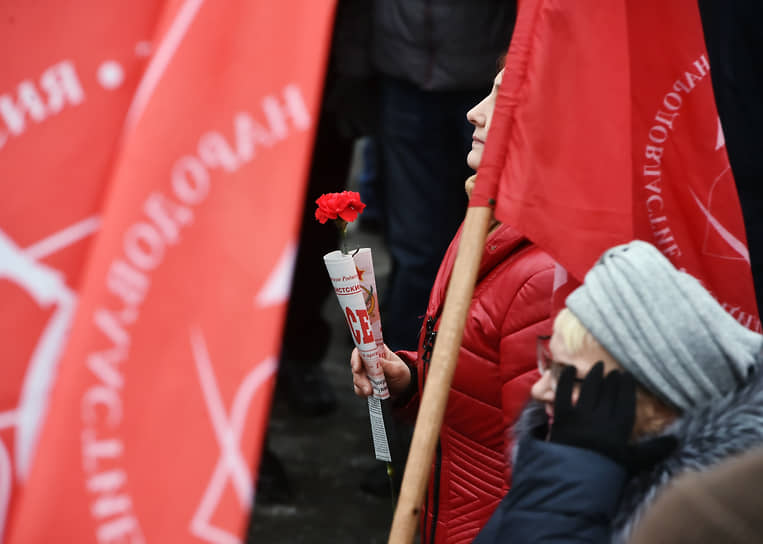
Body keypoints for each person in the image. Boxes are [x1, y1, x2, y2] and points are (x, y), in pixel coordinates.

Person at [351, 66, 555, 544]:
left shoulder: (544, 279)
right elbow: (482, 384)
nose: (473, 113)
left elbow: (542, 476)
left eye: (500, 101)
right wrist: (410, 379)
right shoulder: (485, 221)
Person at [473, 240, 763, 544]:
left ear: (653, 399)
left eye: (572, 378)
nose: (539, 388)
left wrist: (571, 478)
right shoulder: (567, 453)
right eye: (549, 363)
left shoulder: (717, 518)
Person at [372, 0, 518, 352]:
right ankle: (410, 371)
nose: (475, 116)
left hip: (480, 64)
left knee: (489, 242)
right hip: (402, 79)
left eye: (497, 97)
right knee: (419, 251)